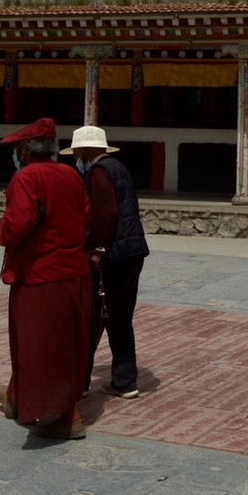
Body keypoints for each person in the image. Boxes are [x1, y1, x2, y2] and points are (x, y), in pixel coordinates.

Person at [0, 118, 93, 439]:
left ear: (25, 149)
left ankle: (62, 415)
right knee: (64, 343)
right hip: (74, 273)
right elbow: (86, 217)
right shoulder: (71, 175)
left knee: (41, 346)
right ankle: (17, 396)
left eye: (17, 148)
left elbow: (18, 225)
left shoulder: (26, 177)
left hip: (41, 275)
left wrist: (1, 227)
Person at [65, 124, 149, 399]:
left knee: (93, 317)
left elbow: (106, 213)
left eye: (77, 153)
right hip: (132, 251)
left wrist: (97, 251)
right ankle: (125, 381)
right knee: (120, 317)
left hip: (114, 254)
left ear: (86, 151)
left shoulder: (99, 172)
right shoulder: (118, 168)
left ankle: (79, 382)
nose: (76, 158)